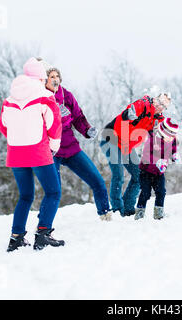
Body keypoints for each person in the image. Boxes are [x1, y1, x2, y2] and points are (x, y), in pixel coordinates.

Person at [0, 57, 65, 252]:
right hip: (38, 151)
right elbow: (54, 125)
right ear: (40, 77)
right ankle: (43, 233)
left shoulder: (9, 100)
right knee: (53, 192)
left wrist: (19, 141)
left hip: (16, 154)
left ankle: (16, 237)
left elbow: (4, 126)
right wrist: (53, 146)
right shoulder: (45, 96)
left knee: (25, 195)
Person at [38, 59, 112, 221]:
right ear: (44, 80)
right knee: (54, 191)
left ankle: (105, 215)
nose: (55, 79)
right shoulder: (40, 98)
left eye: (57, 76)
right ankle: (43, 225)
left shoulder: (66, 95)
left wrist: (87, 129)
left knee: (98, 181)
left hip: (71, 148)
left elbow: (78, 117)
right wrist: (59, 117)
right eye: (51, 76)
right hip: (51, 151)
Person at [100, 93, 170, 217]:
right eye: (159, 102)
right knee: (118, 174)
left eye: (164, 106)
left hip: (126, 146)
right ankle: (117, 209)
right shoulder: (143, 104)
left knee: (139, 176)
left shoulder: (157, 120)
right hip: (111, 138)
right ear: (155, 99)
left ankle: (127, 208)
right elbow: (126, 114)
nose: (160, 107)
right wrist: (128, 115)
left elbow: (160, 137)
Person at [134, 118, 179, 220]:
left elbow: (173, 148)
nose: (171, 139)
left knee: (161, 192)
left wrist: (174, 155)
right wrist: (157, 161)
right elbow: (145, 155)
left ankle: (158, 214)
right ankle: (139, 213)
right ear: (163, 132)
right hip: (146, 171)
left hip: (159, 172)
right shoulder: (152, 139)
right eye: (169, 137)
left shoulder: (172, 139)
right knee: (145, 193)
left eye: (173, 137)